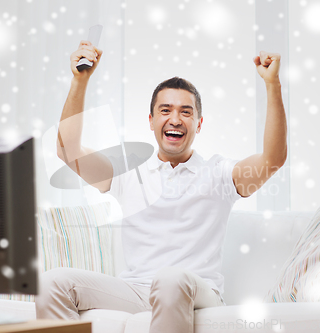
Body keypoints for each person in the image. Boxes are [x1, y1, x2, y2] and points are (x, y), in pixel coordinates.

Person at [36, 39, 287, 332]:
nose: (175, 119)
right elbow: (68, 151)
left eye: (186, 112)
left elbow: (273, 158)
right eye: (165, 110)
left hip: (197, 292)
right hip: (137, 291)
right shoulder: (128, 172)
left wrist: (273, 85)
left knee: (170, 279)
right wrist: (80, 80)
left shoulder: (219, 173)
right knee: (52, 283)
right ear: (152, 120)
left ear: (199, 123)